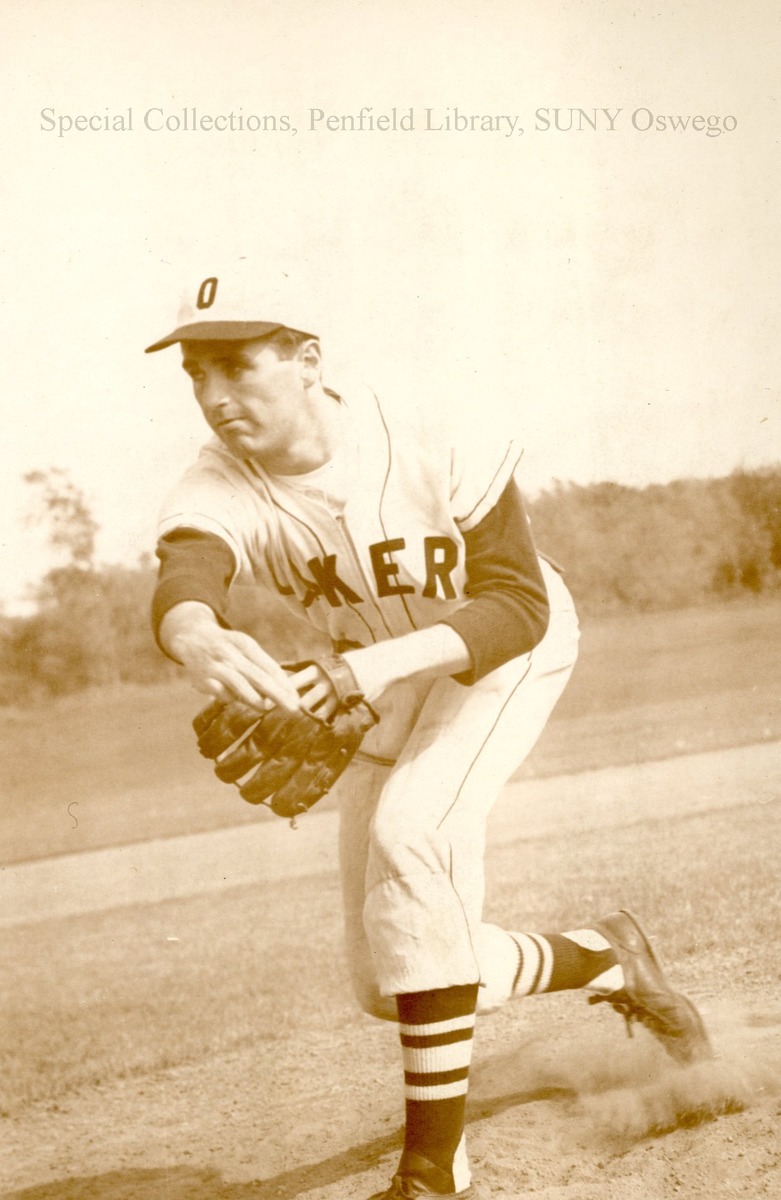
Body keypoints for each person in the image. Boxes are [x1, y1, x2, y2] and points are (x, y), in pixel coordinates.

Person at [146, 263, 712, 1200]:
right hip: (380, 673)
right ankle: (605, 956)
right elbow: (188, 570)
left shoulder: (429, 430)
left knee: (412, 836)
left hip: (500, 652)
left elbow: (517, 606)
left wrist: (361, 673)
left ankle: (432, 1172)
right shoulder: (218, 479)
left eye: (236, 365)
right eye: (195, 374)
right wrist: (193, 628)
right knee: (389, 980)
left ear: (307, 360)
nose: (213, 394)